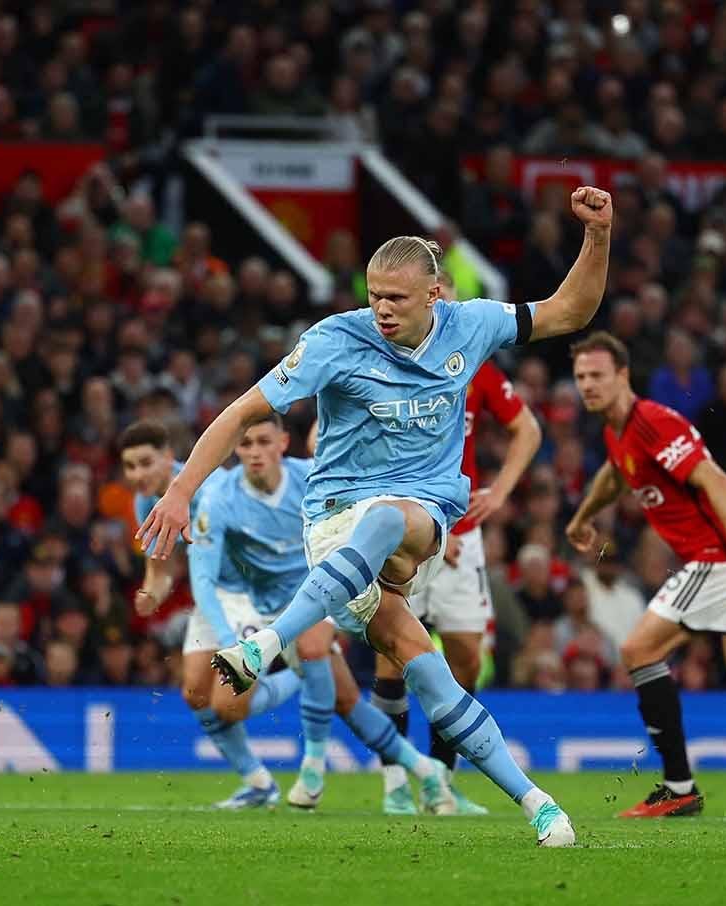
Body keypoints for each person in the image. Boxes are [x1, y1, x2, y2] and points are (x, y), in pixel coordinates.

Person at [141, 185, 620, 848]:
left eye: (397, 297)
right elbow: (242, 411)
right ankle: (539, 804)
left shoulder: (471, 324)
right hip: (335, 523)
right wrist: (180, 490)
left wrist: (596, 237)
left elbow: (570, 310)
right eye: (374, 295)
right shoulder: (334, 341)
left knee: (397, 519)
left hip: (420, 512)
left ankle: (268, 643)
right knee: (425, 666)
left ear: (434, 296)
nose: (383, 309)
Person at [563, 332, 726, 818]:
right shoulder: (618, 431)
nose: (587, 384)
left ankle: (678, 786)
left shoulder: (653, 423)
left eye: (597, 374)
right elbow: (616, 472)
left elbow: (719, 482)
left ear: (623, 375)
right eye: (581, 376)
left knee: (637, 649)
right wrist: (584, 516)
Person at [131, 414, 453, 815]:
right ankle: (423, 766)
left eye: (263, 442)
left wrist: (425, 537)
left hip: (312, 589)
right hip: (244, 598)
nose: (254, 453)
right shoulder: (213, 498)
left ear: (283, 442)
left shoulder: (310, 479)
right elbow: (197, 574)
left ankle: (314, 767)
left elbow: (368, 512)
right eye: (245, 444)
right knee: (329, 699)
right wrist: (223, 635)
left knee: (300, 667)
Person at [375, 320, 542, 815]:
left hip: (462, 535)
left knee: (467, 658)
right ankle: (394, 782)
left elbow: (527, 429)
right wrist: (416, 526)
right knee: (393, 649)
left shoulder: (475, 369)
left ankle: (440, 782)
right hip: (405, 527)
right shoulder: (387, 367)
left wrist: (503, 490)